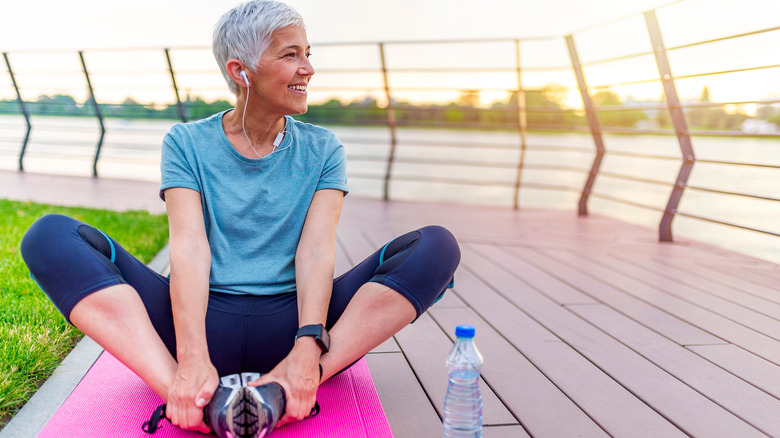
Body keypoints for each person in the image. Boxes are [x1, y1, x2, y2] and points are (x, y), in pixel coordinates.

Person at [20, 1, 460, 436]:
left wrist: (308, 344)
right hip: (197, 324)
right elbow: (190, 247)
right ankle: (186, 393)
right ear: (240, 71)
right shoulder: (186, 142)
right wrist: (192, 358)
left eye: (308, 53)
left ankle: (291, 384)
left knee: (437, 247)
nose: (307, 68)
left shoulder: (325, 150)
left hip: (294, 328)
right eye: (291, 54)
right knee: (49, 236)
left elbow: (316, 250)